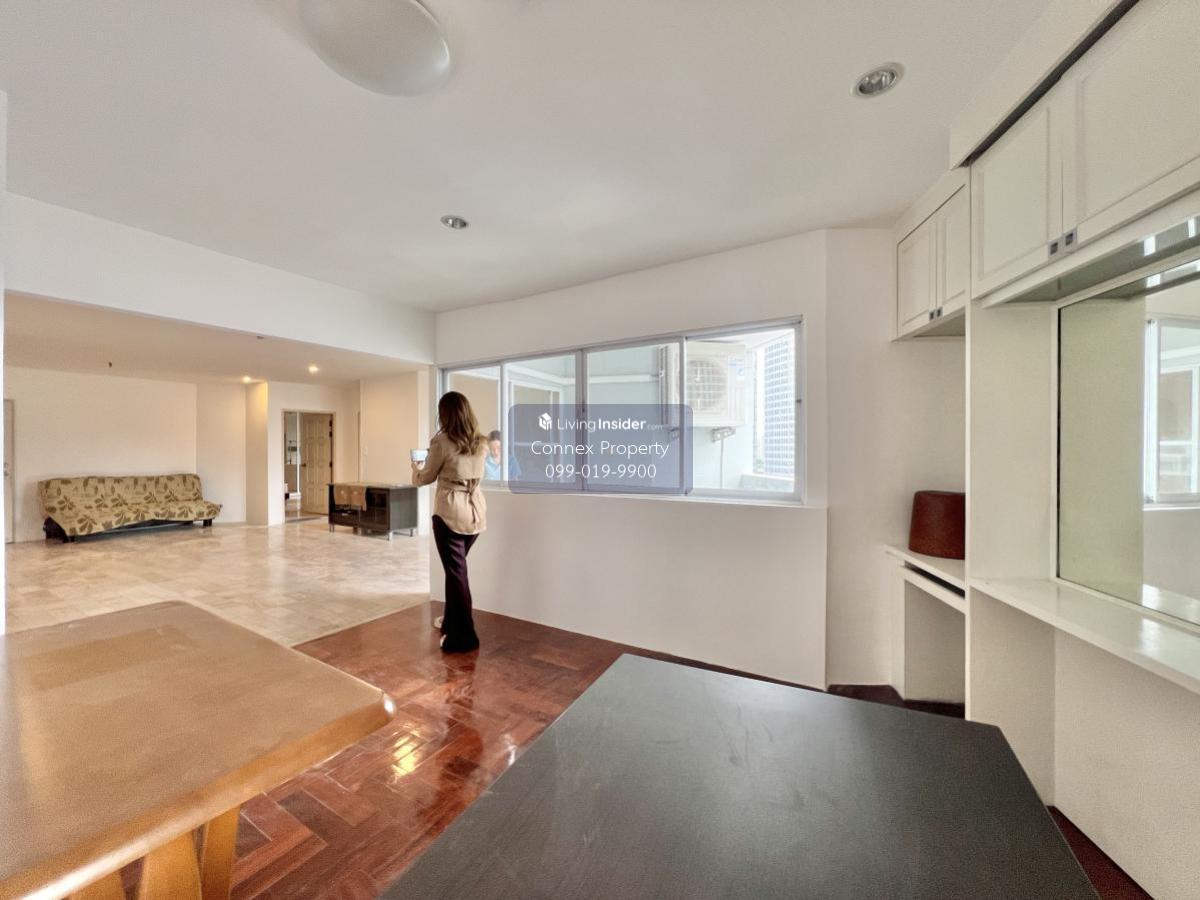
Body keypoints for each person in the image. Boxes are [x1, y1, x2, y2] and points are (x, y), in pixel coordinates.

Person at [411, 391, 488, 652]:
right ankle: (451, 622)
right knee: (455, 572)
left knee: (457, 574)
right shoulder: (481, 442)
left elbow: (425, 478)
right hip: (475, 512)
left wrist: (415, 467)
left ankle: (464, 636)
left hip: (450, 513)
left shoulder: (442, 441)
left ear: (444, 414)